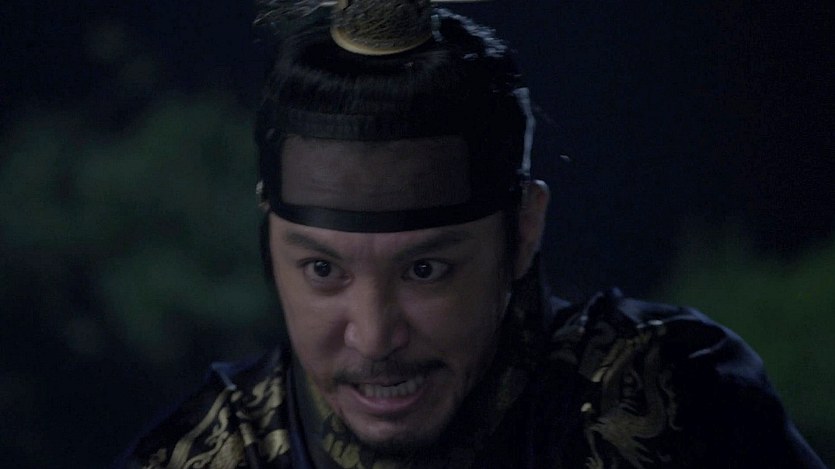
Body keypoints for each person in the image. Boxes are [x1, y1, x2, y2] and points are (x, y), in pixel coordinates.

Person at [119, 1, 826, 468]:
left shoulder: (673, 406)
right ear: (270, 240)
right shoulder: (209, 452)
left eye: (425, 270)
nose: (374, 337)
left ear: (523, 229)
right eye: (323, 271)